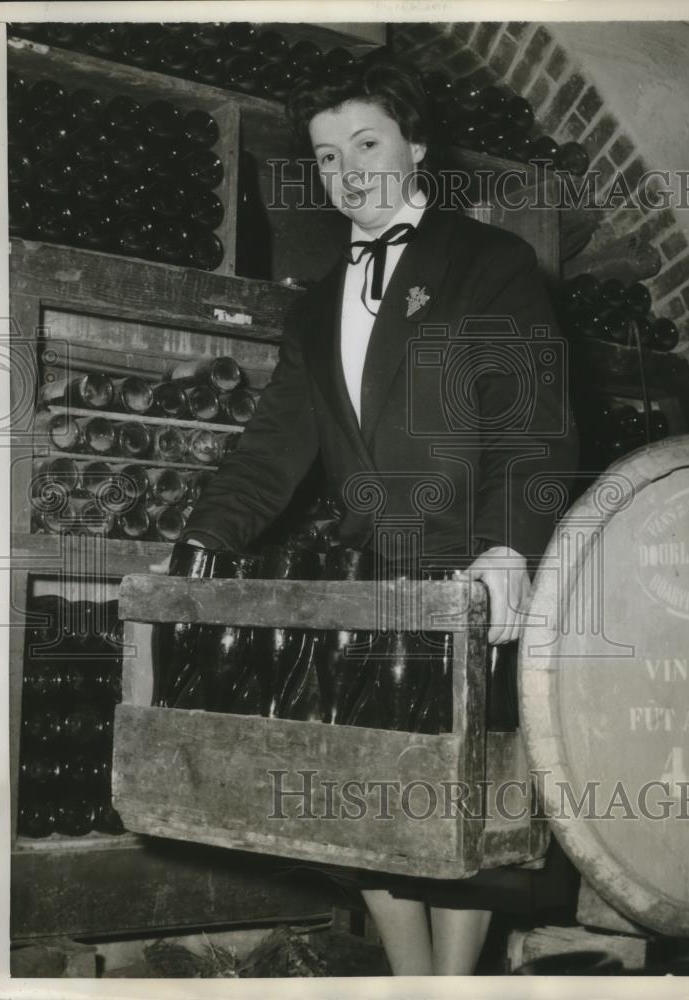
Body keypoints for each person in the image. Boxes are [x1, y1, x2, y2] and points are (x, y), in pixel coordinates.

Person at [154, 54, 578, 975]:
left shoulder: (487, 262)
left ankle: (451, 988)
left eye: (368, 143)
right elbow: (270, 451)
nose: (349, 172)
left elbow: (533, 430)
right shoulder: (313, 311)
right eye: (326, 155)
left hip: (470, 581)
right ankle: (412, 981)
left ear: (415, 146)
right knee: (365, 800)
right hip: (366, 590)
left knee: (458, 806)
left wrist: (511, 551)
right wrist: (195, 548)